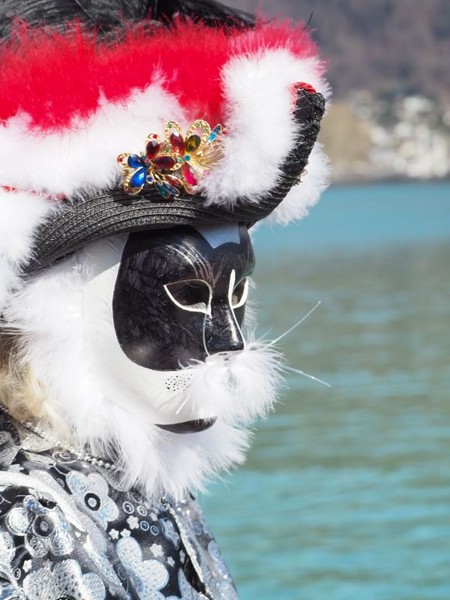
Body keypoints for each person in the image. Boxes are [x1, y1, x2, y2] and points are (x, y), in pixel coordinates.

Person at [0, 0, 329, 597]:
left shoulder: (142, 479)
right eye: (188, 292)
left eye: (238, 292)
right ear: (62, 299)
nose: (230, 343)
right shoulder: (23, 517)